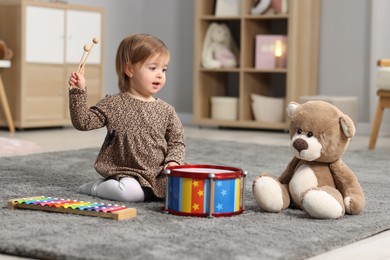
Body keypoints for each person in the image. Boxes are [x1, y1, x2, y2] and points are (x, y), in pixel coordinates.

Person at [68, 33, 186, 202]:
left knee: (186, 187)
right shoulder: (113, 103)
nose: (160, 75)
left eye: (164, 69)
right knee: (131, 193)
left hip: (158, 173)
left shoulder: (167, 110)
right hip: (127, 172)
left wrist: (174, 162)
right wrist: (78, 91)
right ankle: (95, 187)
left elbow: (177, 141)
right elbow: (83, 122)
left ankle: (150, 190)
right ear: (130, 69)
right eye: (153, 68)